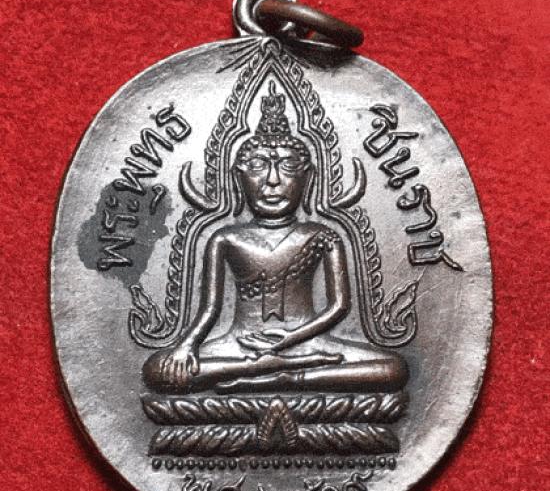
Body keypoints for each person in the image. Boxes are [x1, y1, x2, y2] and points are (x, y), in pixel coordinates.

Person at [143, 82, 407, 394]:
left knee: (394, 369)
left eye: (287, 167)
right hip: (239, 345)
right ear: (238, 177)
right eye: (257, 166)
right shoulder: (226, 238)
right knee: (157, 371)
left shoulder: (322, 235)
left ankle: (288, 377)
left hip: (309, 343)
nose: (272, 180)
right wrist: (187, 346)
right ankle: (267, 368)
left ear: (308, 177)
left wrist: (290, 339)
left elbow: (338, 306)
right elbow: (210, 310)